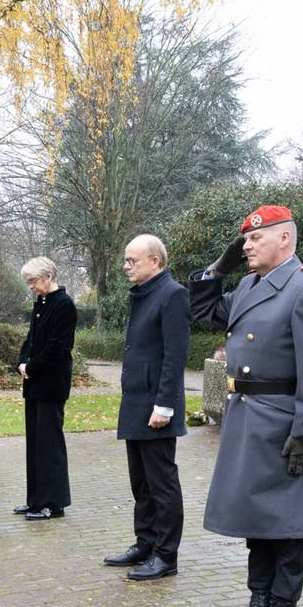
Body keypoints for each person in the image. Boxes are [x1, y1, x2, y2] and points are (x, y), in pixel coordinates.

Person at [189, 204, 303, 607]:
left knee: (287, 524)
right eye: (244, 240)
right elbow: (205, 313)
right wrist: (217, 269)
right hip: (247, 417)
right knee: (258, 521)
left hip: (283, 421)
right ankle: (258, 602)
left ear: (285, 240)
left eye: (256, 238)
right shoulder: (251, 285)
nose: (247, 245)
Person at [103, 234, 190, 581]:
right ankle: (146, 542)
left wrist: (165, 405)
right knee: (140, 482)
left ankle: (166, 555)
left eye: (132, 261)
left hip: (156, 405)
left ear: (155, 261)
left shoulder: (173, 294)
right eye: (126, 260)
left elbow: (175, 355)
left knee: (162, 483)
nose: (127, 266)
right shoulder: (143, 294)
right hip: (136, 401)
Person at [14, 257, 78, 519]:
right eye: (28, 282)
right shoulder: (39, 305)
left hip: (51, 384)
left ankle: (54, 503)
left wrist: (31, 367)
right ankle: (36, 500)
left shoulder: (64, 305)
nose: (31, 286)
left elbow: (58, 347)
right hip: (35, 384)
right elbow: (31, 339)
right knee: (35, 444)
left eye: (33, 281)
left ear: (48, 276)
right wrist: (21, 360)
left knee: (49, 445)